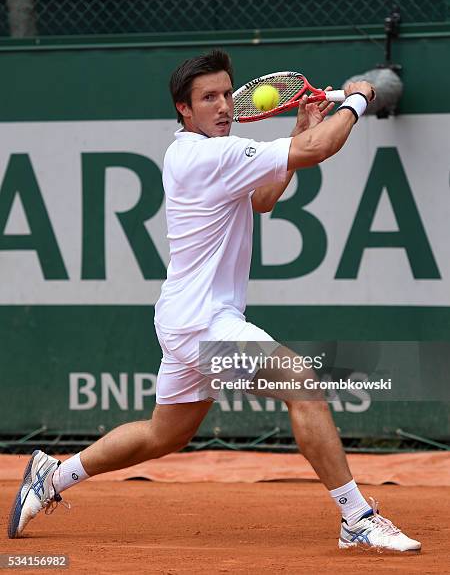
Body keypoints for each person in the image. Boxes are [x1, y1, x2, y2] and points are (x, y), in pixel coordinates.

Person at [8, 50, 420, 552]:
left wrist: (296, 134)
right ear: (184, 109)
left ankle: (52, 476)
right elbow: (319, 150)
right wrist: (358, 96)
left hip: (186, 318)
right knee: (301, 382)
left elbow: (265, 197)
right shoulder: (204, 155)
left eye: (228, 94)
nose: (225, 106)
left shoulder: (210, 153)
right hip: (201, 323)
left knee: (165, 435)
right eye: (209, 98)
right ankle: (356, 516)